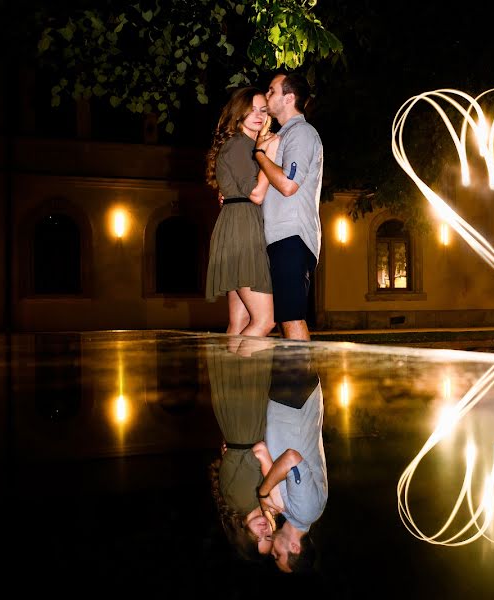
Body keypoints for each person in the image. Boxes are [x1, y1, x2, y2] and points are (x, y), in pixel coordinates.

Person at [254, 70, 324, 341]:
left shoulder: (302, 133)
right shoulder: (284, 136)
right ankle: (296, 382)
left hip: (292, 237)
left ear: (289, 98)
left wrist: (260, 156)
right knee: (285, 319)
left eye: (272, 91)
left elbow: (287, 185)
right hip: (281, 238)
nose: (267, 94)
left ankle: (304, 382)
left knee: (292, 317)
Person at [205, 86, 278, 337]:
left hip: (237, 226)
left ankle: (231, 377)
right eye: (252, 110)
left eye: (264, 110)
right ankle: (243, 376)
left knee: (240, 322)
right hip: (242, 230)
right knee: (264, 321)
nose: (258, 115)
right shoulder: (240, 145)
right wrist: (268, 156)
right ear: (239, 113)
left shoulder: (244, 144)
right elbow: (256, 194)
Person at [254, 346, 328, 573]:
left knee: (284, 334)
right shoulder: (308, 510)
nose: (273, 552)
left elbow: (263, 452)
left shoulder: (290, 512)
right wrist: (264, 493)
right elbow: (291, 459)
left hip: (285, 405)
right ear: (295, 547)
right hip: (296, 404)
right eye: (278, 556)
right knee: (293, 330)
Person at [206, 337, 281, 559]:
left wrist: (272, 487)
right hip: (244, 424)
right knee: (238, 344)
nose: (263, 532)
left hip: (245, 423)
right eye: (268, 537)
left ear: (241, 534)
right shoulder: (255, 502)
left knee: (253, 340)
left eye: (256, 538)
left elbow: (255, 454)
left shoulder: (241, 501)